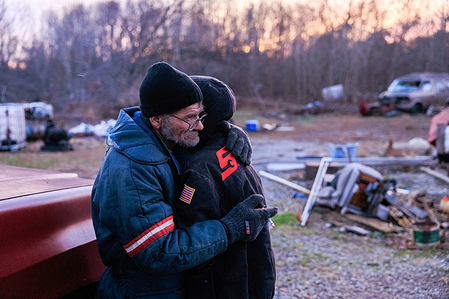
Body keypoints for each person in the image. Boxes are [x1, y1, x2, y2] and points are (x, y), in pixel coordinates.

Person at [91, 61, 277, 298]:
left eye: (201, 115)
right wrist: (230, 228)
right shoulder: (132, 170)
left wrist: (226, 131)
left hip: (174, 284)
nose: (199, 125)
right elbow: (158, 253)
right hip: (145, 291)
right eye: (191, 118)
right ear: (158, 119)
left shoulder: (165, 137)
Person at [174, 76, 276, 299]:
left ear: (202, 117)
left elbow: (189, 242)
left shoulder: (200, 168)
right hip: (256, 274)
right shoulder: (234, 149)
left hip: (224, 283)